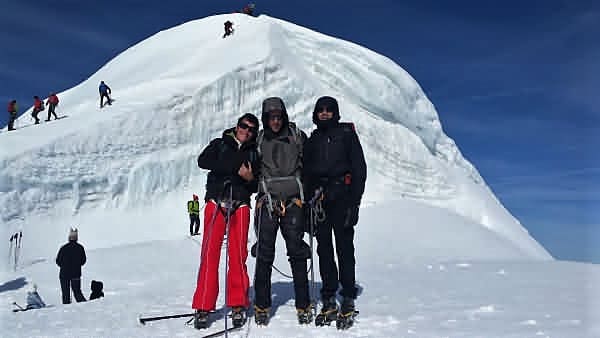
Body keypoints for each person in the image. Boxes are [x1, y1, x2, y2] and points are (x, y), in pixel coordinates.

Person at [191, 113, 260, 330]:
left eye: (251, 129)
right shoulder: (220, 144)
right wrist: (234, 166)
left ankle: (238, 302)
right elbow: (203, 161)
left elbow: (256, 184)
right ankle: (203, 305)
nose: (246, 131)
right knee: (209, 254)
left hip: (240, 203)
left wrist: (250, 179)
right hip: (216, 201)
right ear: (237, 126)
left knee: (238, 255)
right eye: (243, 126)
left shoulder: (254, 153)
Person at [303, 96, 366, 330]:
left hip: (342, 198)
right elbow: (307, 174)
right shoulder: (313, 139)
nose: (325, 113)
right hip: (320, 200)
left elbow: (359, 168)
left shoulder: (347, 134)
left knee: (344, 247)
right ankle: (329, 292)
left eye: (329, 109)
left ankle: (347, 291)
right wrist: (309, 198)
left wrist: (355, 202)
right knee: (324, 249)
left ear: (335, 112)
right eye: (321, 110)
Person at [252, 97, 312, 326]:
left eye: (278, 117)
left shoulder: (296, 136)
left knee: (296, 251)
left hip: (293, 200)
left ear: (283, 116)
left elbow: (311, 162)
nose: (275, 121)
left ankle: (303, 303)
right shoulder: (259, 139)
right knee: (265, 253)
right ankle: (262, 304)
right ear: (266, 119)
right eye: (271, 117)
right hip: (267, 200)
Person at [56, 228, 87, 304]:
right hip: (76, 274)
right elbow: (83, 261)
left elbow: (58, 261)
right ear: (76, 238)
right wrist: (77, 265)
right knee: (77, 293)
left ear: (69, 238)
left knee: (66, 295)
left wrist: (64, 266)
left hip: (64, 274)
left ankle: (67, 311)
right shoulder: (80, 247)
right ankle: (86, 307)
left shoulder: (63, 248)